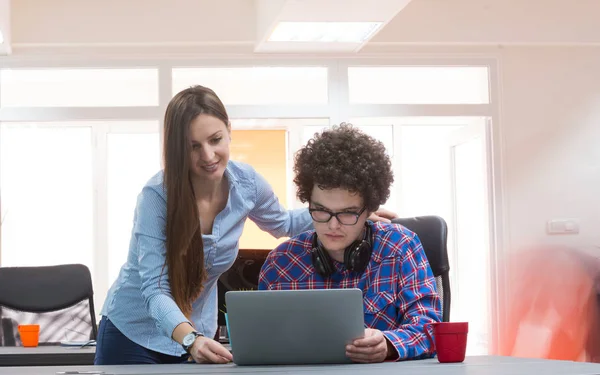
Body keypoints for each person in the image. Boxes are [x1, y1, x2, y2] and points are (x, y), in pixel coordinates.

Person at [95, 86, 397, 365]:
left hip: (199, 337)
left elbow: (285, 223)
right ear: (177, 150)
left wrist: (344, 211)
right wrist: (190, 339)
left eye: (215, 140)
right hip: (133, 334)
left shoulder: (246, 183)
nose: (209, 156)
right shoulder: (157, 196)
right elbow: (156, 288)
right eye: (193, 147)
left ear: (229, 131)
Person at [259, 123, 442, 363]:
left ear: (369, 210)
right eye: (321, 211)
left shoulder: (401, 247)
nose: (333, 225)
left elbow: (430, 327)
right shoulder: (280, 263)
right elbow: (261, 340)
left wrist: (387, 344)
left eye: (347, 213)